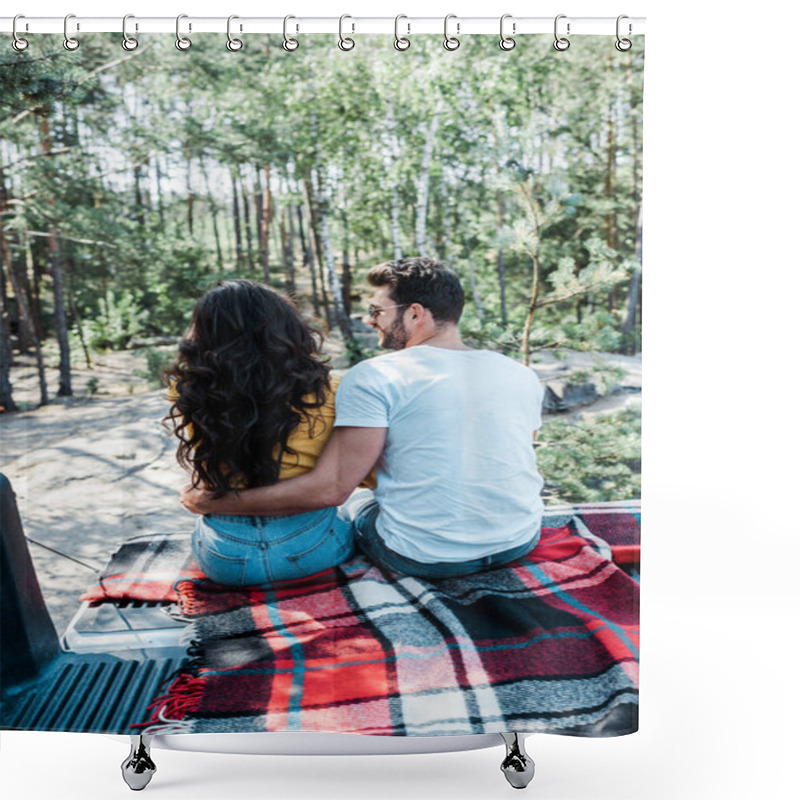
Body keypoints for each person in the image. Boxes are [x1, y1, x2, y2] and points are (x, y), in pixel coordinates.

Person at [181, 258, 545, 580]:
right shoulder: (519, 373)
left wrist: (213, 502)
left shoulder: (376, 375)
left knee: (357, 504)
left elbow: (332, 488)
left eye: (377, 311)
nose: (371, 321)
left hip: (426, 558)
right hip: (518, 539)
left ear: (416, 313)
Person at [165, 279, 363, 587]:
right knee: (357, 511)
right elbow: (353, 478)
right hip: (312, 548)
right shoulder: (333, 389)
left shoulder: (189, 390)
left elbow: (206, 479)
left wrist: (203, 498)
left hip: (225, 557)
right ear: (288, 329)